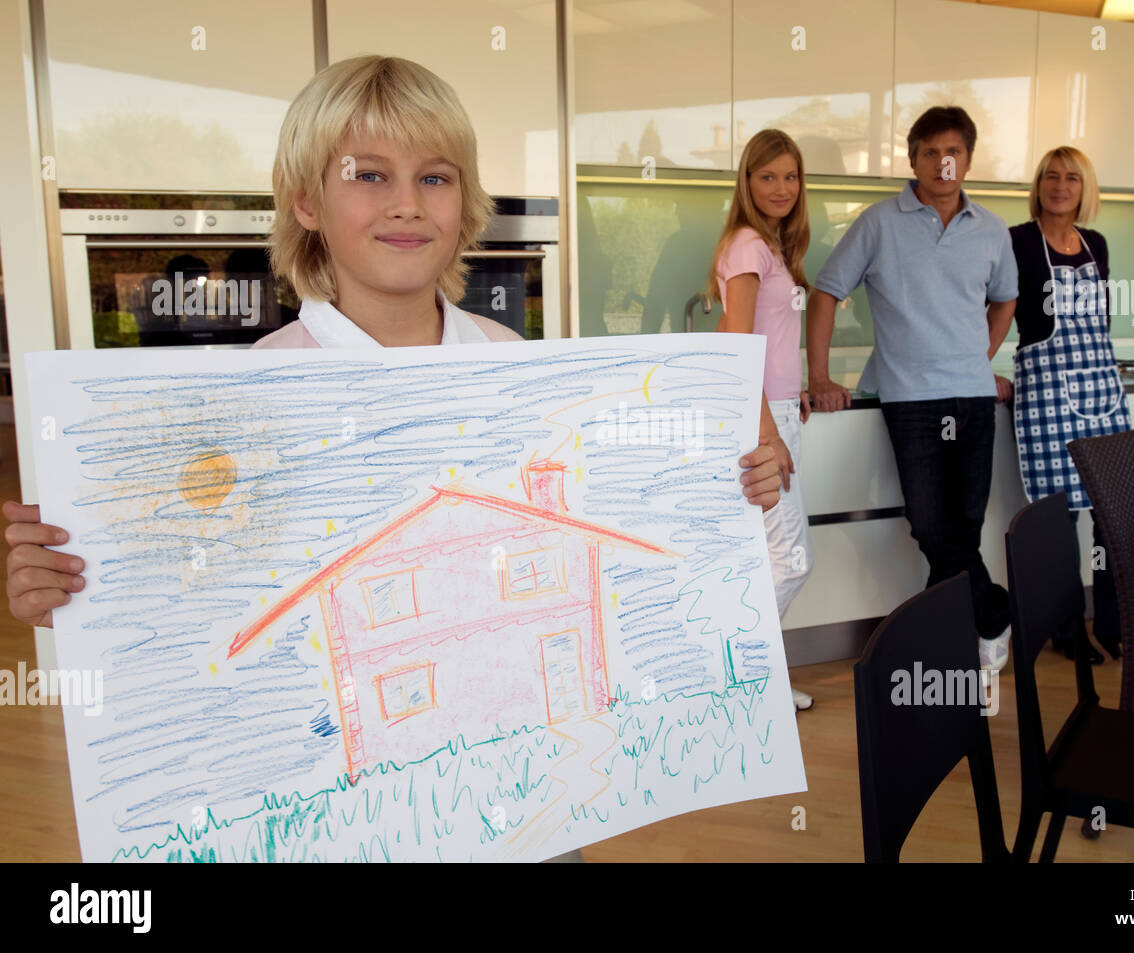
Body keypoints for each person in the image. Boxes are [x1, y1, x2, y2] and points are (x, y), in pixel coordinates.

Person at [1, 55, 784, 861]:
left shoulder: (509, 358)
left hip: (532, 813)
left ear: (465, 202)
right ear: (307, 199)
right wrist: (68, 592)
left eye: (436, 178)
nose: (407, 203)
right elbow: (194, 596)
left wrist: (725, 488)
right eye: (369, 175)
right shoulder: (247, 398)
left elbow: (594, 524)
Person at [805, 106, 1019, 671]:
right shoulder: (878, 222)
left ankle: (946, 640)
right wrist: (819, 378)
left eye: (953, 152)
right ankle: (997, 612)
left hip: (973, 399)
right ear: (913, 158)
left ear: (967, 159)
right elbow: (826, 293)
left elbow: (1006, 298)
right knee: (930, 525)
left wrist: (979, 357)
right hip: (910, 400)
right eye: (931, 152)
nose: (942, 162)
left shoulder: (993, 229)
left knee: (963, 526)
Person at [1001, 146, 1128, 662]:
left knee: (1110, 513)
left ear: (1084, 188)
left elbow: (1103, 323)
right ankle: (1068, 629)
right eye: (1051, 176)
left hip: (1099, 388)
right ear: (1039, 185)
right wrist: (978, 368)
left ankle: (1116, 623)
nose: (1060, 186)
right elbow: (990, 310)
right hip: (1047, 390)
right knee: (1061, 519)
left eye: (1072, 178)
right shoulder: (1018, 242)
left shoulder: (1095, 244)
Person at [709, 129, 816, 711]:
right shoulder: (749, 245)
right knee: (792, 558)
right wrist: (768, 431)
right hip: (759, 419)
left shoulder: (769, 247)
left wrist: (792, 388)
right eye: (767, 176)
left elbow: (758, 335)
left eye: (790, 176)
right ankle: (733, 679)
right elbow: (736, 348)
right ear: (747, 182)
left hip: (771, 408)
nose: (780, 187)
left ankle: (754, 680)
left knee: (761, 559)